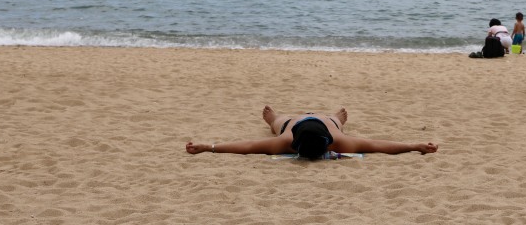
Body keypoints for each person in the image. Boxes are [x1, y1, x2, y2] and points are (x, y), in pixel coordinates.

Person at [185, 106, 438, 159]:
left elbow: (377, 144)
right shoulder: (288, 139)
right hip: (295, 122)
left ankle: (336, 117)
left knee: (335, 120)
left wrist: (415, 145)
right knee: (278, 122)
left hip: (323, 122)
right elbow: (375, 145)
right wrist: (208, 147)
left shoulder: (334, 138)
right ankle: (274, 117)